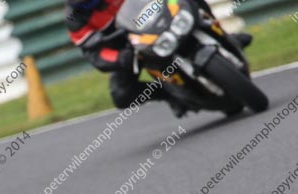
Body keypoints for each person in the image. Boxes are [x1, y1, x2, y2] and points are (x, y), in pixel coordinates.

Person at [65, 0, 252, 117]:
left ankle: (221, 34)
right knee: (121, 95)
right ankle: (171, 95)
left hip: (158, 16)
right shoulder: (75, 19)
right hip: (131, 48)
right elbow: (95, 53)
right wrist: (121, 58)